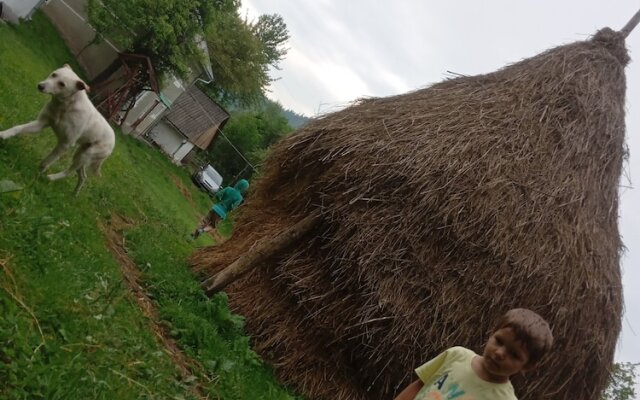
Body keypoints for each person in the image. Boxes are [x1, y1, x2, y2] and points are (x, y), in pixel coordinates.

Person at [393, 308, 553, 400]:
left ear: (527, 366)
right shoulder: (456, 355)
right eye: (499, 341)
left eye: (514, 354)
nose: (499, 353)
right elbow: (420, 385)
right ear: (492, 333)